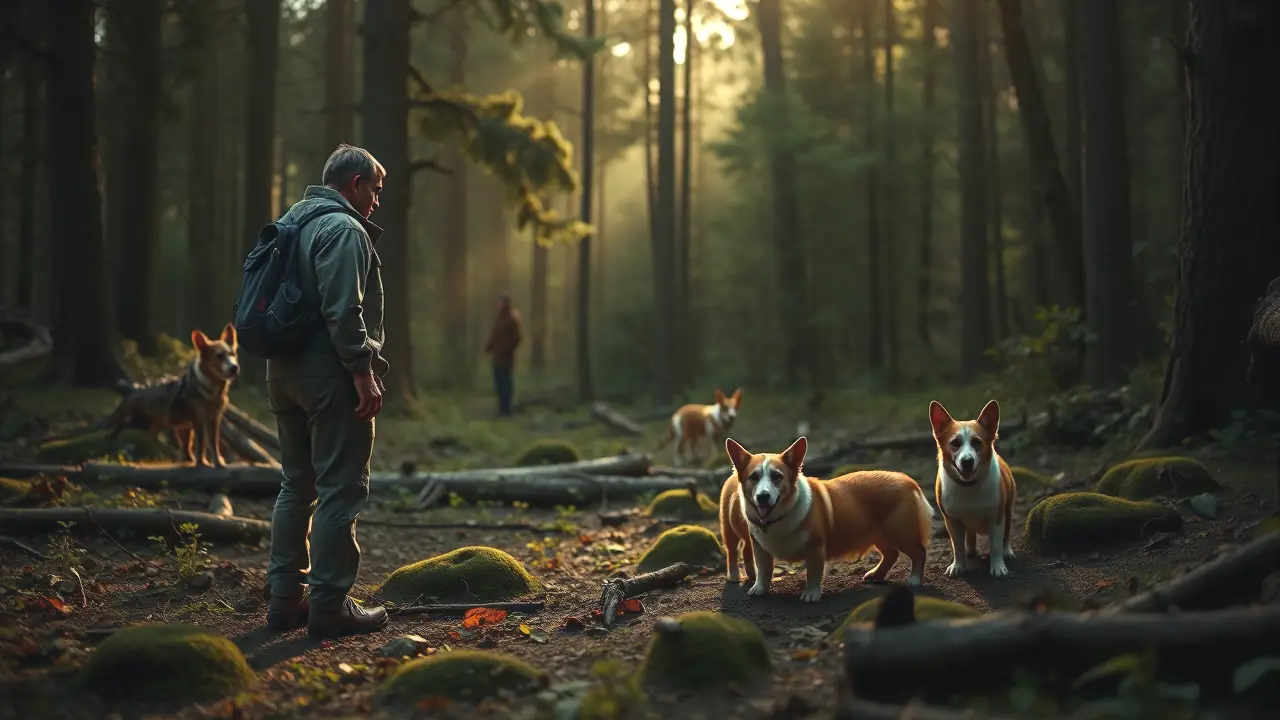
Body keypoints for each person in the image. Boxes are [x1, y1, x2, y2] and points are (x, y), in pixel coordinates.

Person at [264, 144, 389, 639]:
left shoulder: (292, 220)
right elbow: (344, 310)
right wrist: (362, 370)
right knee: (341, 488)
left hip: (281, 373)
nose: (376, 201)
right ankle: (329, 607)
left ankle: (285, 601)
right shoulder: (342, 228)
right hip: (328, 374)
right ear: (354, 183)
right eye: (375, 189)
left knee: (296, 485)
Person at [484, 294, 523, 416]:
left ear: (506, 304)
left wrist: (507, 349)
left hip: (506, 358)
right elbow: (495, 336)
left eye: (501, 302)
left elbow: (517, 338)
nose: (499, 305)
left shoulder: (511, 319)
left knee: (506, 383)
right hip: (497, 357)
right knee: (498, 383)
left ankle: (506, 409)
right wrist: (490, 346)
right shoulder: (499, 319)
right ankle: (501, 407)